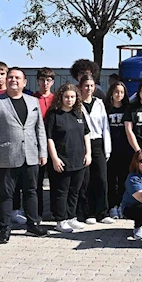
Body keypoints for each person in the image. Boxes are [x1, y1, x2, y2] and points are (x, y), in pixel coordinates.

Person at [0, 67, 49, 244]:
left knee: (31, 191)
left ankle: (33, 224)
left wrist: (43, 152)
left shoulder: (33, 102)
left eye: (17, 78)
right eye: (10, 77)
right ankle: (5, 229)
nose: (13, 80)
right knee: (5, 194)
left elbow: (39, 129)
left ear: (25, 82)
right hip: (6, 156)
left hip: (31, 155)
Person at [45, 83, 91, 233]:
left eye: (72, 97)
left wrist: (88, 153)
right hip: (62, 160)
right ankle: (60, 220)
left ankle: (72, 217)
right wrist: (55, 158)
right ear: (61, 97)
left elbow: (86, 134)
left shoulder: (79, 113)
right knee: (61, 191)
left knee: (74, 190)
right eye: (66, 97)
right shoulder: (54, 115)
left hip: (79, 160)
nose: (69, 100)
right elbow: (49, 138)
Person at [78, 74, 112, 225]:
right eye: (86, 86)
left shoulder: (99, 103)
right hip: (82, 144)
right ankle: (88, 213)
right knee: (86, 181)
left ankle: (102, 212)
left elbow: (105, 126)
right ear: (81, 87)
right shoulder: (77, 104)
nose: (89, 89)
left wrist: (107, 148)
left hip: (98, 143)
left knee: (102, 179)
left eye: (92, 86)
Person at [105, 81, 131, 217]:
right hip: (111, 150)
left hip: (125, 150)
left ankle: (122, 205)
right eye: (116, 92)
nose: (119, 95)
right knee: (111, 180)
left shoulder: (128, 108)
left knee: (123, 179)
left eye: (121, 92)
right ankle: (112, 206)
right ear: (112, 93)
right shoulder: (106, 109)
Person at [34, 68, 56, 221]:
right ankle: (38, 212)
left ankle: (56, 212)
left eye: (48, 80)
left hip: (54, 144)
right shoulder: (31, 99)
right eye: (42, 80)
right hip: (36, 144)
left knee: (56, 181)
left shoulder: (57, 100)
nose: (45, 83)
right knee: (37, 181)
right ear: (38, 81)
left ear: (52, 82)